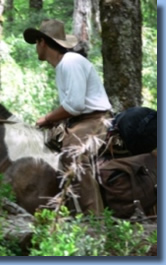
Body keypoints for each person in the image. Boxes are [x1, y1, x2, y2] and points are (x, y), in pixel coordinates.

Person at [23, 19, 112, 215]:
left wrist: (47, 118)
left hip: (95, 120)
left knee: (73, 154)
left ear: (43, 42)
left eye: (36, 43)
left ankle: (94, 220)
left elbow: (75, 105)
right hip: (81, 120)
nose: (36, 48)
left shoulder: (70, 62)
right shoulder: (64, 65)